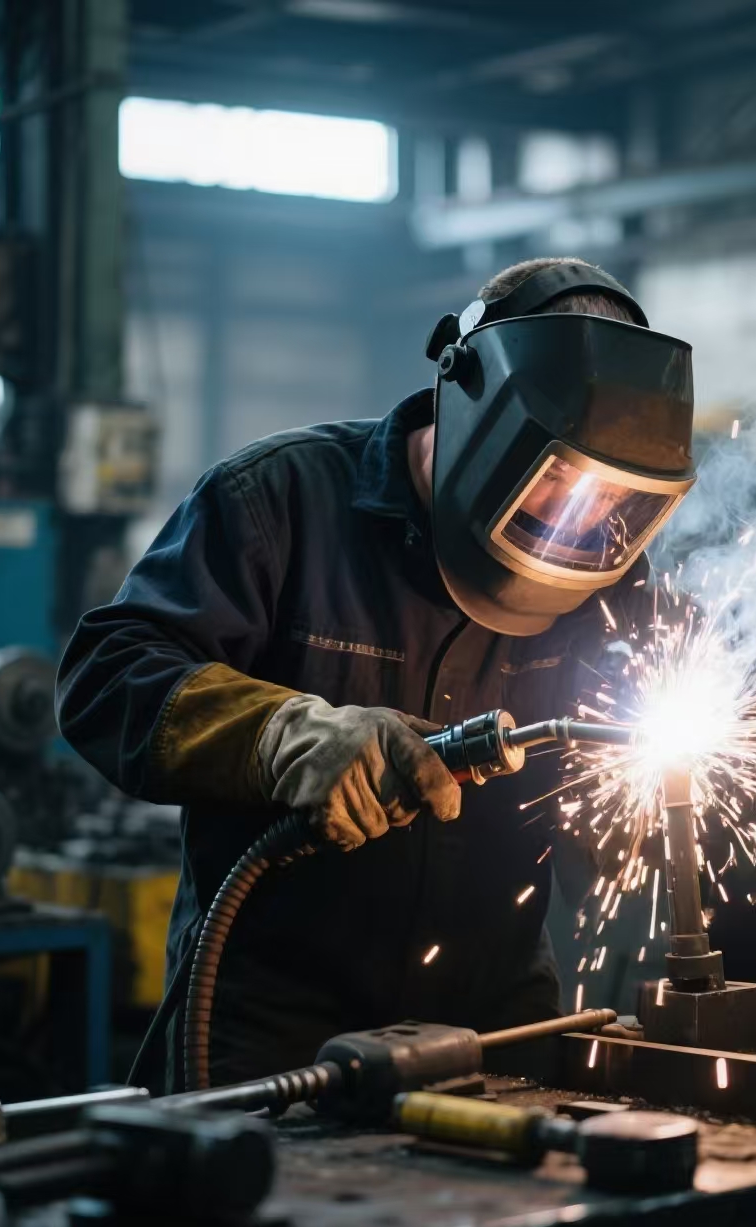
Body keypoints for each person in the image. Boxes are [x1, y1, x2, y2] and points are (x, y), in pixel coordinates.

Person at [56, 257, 696, 1088]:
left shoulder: (612, 564)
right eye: (561, 487)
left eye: (610, 503)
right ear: (478, 410)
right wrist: (280, 732)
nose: (579, 525)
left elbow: (621, 760)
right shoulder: (280, 499)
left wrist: (622, 813)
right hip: (270, 1015)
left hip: (499, 1016)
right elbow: (106, 674)